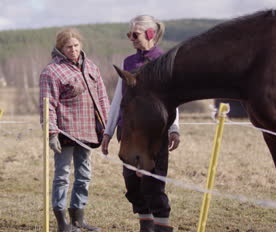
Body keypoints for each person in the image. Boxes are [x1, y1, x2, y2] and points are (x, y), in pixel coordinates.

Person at [100, 15, 181, 232]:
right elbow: (119, 98)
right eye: (129, 35)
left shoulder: (164, 61)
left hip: (155, 134)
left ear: (150, 34)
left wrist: (174, 128)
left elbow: (173, 98)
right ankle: (145, 227)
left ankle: (162, 227)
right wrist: (108, 132)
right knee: (132, 184)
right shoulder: (128, 63)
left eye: (134, 34)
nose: (131, 39)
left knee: (152, 184)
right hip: (128, 132)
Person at [39, 28, 109, 232]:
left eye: (76, 45)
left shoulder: (91, 68)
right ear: (60, 48)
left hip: (88, 131)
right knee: (62, 175)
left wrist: (107, 127)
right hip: (65, 133)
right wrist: (51, 133)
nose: (73, 50)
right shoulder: (51, 71)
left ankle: (78, 218)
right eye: (68, 46)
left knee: (84, 174)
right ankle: (62, 222)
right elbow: (47, 105)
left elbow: (102, 98)